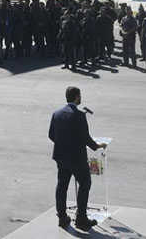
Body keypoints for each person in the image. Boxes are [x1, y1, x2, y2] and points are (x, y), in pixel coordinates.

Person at [49, 86, 107, 231]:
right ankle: (81, 218)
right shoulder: (79, 115)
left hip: (60, 156)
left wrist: (63, 143)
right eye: (80, 96)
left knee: (62, 185)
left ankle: (62, 217)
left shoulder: (56, 113)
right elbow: (85, 138)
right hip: (76, 157)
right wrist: (97, 146)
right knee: (85, 183)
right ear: (76, 97)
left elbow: (51, 135)